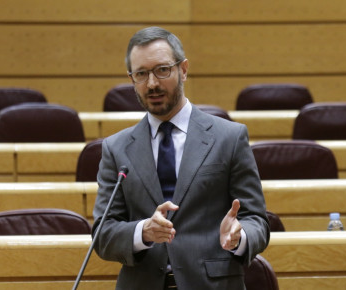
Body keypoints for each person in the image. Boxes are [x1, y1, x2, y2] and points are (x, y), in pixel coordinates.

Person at [92, 26, 270, 290]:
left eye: (162, 70)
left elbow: (257, 220)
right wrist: (143, 231)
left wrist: (239, 236)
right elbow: (103, 234)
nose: (152, 83)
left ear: (183, 69)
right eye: (141, 74)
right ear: (132, 79)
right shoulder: (116, 148)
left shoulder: (229, 138)